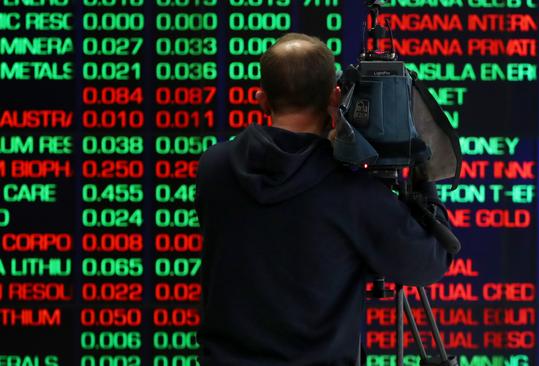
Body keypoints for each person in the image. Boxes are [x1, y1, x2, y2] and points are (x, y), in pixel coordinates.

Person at [194, 33, 453, 366]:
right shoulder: (352, 189)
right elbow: (428, 263)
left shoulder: (214, 168)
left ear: (261, 99)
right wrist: (424, 179)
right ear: (336, 96)